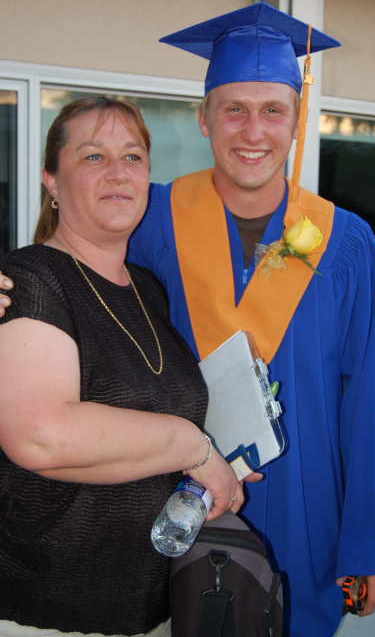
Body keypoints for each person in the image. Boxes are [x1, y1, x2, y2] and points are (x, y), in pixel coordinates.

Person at [0, 3, 375, 637]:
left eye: (273, 110)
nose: (253, 131)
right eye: (233, 109)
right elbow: (65, 277)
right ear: (204, 119)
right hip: (177, 511)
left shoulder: (344, 243)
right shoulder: (149, 218)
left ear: (297, 122)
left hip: (308, 511)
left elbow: (373, 401)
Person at [0, 96, 248, 637]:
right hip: (47, 610)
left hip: (153, 608)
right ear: (51, 180)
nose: (118, 172)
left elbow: (141, 428)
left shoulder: (148, 290)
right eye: (93, 156)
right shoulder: (30, 280)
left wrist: (223, 461)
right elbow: (40, 435)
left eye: (133, 157)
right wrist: (194, 448)